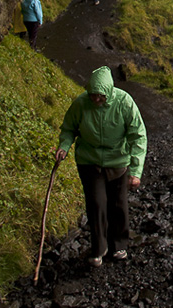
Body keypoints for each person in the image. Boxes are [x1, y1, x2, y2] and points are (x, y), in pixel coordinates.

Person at [55, 66, 147, 266]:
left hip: (118, 162)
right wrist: (64, 146)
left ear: (109, 92)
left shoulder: (124, 102)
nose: (96, 100)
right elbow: (69, 128)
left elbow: (138, 136)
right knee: (96, 204)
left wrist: (135, 171)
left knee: (118, 204)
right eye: (93, 95)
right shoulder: (81, 104)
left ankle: (119, 245)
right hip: (90, 160)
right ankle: (99, 248)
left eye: (100, 96)